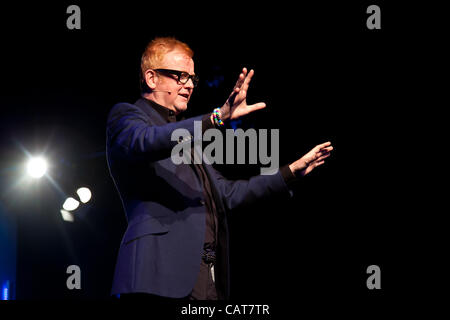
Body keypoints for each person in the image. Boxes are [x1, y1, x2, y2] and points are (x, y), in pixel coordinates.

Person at [106, 37, 333, 300]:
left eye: (192, 78)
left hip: (205, 282)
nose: (189, 85)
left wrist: (290, 171)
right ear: (151, 78)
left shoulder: (189, 140)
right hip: (155, 275)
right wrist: (216, 118)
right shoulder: (127, 116)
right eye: (180, 76)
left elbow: (227, 193)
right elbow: (145, 142)